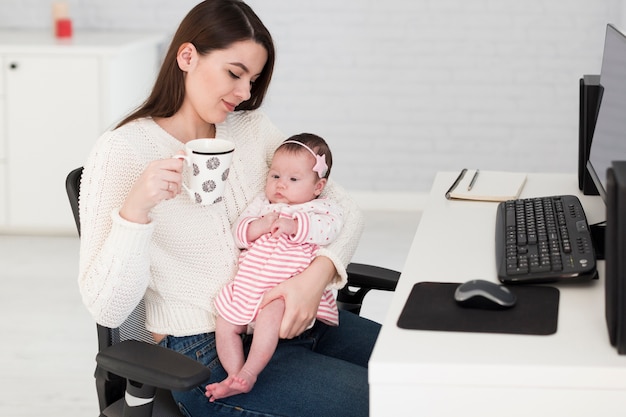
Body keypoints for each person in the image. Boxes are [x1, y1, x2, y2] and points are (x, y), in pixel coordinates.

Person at [77, 1, 379, 416]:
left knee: (423, 368)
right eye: (234, 74)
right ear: (187, 57)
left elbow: (346, 209)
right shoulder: (122, 151)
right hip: (204, 349)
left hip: (293, 317)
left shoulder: (250, 129)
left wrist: (314, 278)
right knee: (385, 400)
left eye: (253, 80)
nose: (245, 93)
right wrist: (136, 210)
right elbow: (106, 307)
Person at [208, 133, 342, 401]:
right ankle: (235, 374)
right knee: (225, 322)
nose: (281, 185)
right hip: (248, 286)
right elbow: (240, 231)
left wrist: (295, 226)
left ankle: (250, 370)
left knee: (270, 315)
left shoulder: (319, 208)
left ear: (318, 186)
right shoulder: (263, 205)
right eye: (275, 176)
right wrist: (260, 225)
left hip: (282, 293)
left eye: (293, 179)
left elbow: (329, 230)